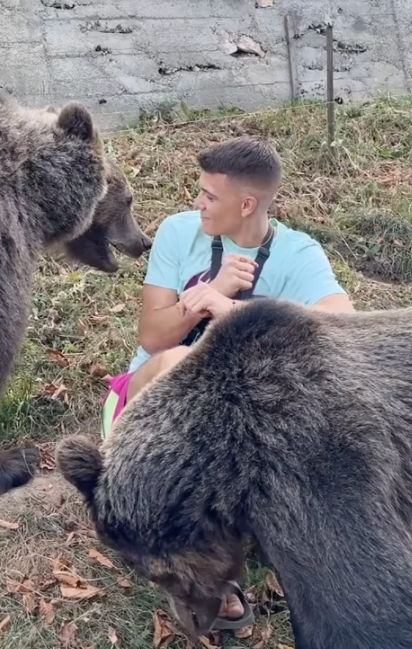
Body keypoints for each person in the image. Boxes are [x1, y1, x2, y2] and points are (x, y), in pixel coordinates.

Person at [99, 136, 354, 628]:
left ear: (246, 204)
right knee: (178, 364)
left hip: (242, 425)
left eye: (209, 196)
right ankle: (204, 575)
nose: (197, 203)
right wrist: (206, 294)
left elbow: (340, 330)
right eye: (200, 192)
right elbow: (152, 336)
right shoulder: (179, 233)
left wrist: (236, 312)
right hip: (149, 412)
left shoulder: (298, 254)